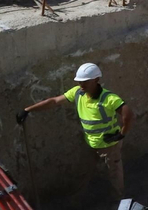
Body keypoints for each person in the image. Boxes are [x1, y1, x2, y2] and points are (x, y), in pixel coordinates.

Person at [17, 62, 133, 197]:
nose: (81, 85)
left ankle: (118, 199)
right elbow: (54, 101)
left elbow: (128, 115)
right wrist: (28, 110)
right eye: (79, 82)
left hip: (109, 145)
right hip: (90, 143)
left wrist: (121, 135)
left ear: (96, 80)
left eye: (85, 82)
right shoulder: (78, 93)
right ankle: (78, 198)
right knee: (84, 171)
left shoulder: (108, 98)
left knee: (114, 173)